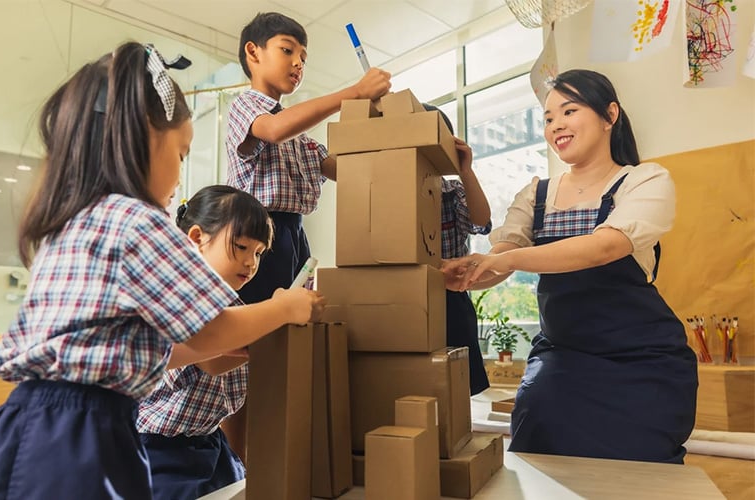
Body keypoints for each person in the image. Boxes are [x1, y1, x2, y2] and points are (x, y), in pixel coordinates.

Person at [0, 42, 324, 499]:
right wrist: (285, 307)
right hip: (79, 434)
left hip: (29, 424)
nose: (179, 173)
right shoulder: (135, 219)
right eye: (182, 153)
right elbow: (208, 332)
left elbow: (154, 349)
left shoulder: (79, 220)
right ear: (144, 137)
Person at [441, 69, 697, 463]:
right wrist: (463, 275)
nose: (555, 125)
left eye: (569, 110)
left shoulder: (644, 181)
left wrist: (503, 258)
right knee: (540, 444)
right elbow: (501, 259)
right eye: (547, 118)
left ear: (610, 115)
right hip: (563, 358)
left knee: (640, 474)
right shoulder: (536, 194)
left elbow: (603, 247)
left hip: (643, 360)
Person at [226, 11, 392, 304]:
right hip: (256, 233)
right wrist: (354, 92)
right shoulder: (245, 106)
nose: (297, 63)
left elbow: (348, 170)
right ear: (253, 52)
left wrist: (377, 127)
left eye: (303, 58)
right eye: (287, 50)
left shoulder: (301, 140)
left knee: (295, 316)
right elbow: (276, 129)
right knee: (259, 319)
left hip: (295, 234)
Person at [138, 185, 272, 499]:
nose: (251, 263)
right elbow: (212, 358)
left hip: (207, 442)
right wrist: (275, 320)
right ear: (197, 238)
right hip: (159, 448)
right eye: (240, 247)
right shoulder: (179, 292)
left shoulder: (232, 305)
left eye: (258, 253)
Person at [422, 103, 492, 396]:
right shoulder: (391, 194)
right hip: (409, 295)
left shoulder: (453, 192)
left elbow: (482, 220)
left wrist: (465, 170)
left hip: (450, 298)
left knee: (458, 382)